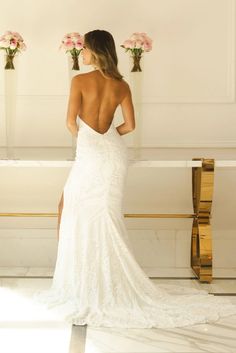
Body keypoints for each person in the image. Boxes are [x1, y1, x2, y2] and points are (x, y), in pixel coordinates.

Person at [33, 30, 236, 328]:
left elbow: (69, 122)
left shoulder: (79, 81)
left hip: (90, 151)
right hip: (114, 154)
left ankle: (78, 283)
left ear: (96, 51)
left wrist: (88, 140)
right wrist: (108, 138)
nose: (81, 54)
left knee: (70, 208)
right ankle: (96, 282)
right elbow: (130, 125)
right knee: (104, 215)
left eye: (85, 49)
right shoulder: (122, 85)